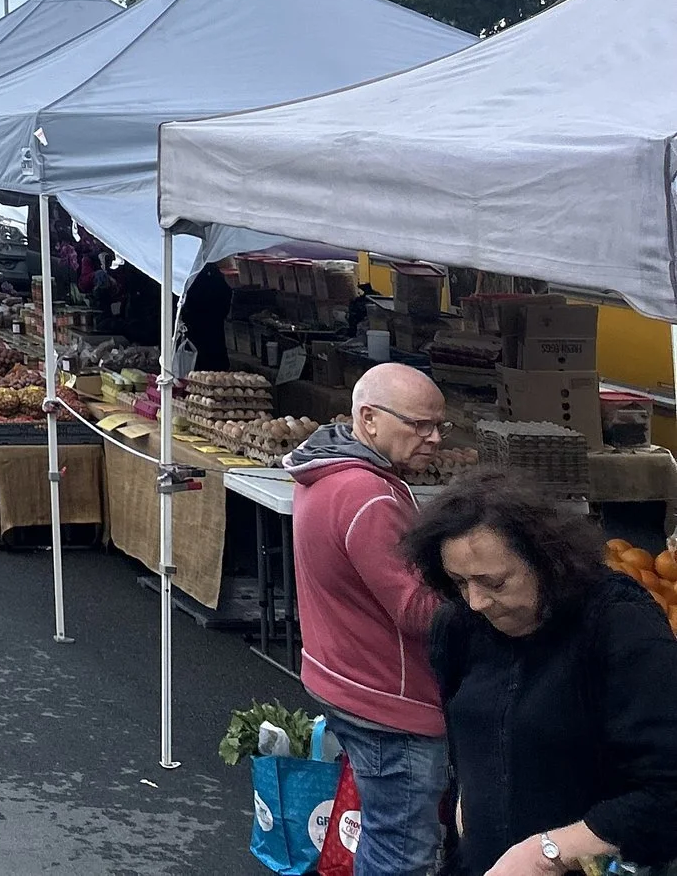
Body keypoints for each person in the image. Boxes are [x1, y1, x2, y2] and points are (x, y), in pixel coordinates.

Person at [402, 469, 677, 876]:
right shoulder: (459, 626)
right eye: (460, 582)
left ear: (545, 560)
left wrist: (546, 852)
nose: (476, 601)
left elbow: (666, 791)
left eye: (495, 583)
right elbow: (468, 743)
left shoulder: (620, 625)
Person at [285, 364, 450, 876]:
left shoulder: (326, 473)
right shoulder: (370, 495)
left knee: (383, 832)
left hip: (346, 679)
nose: (434, 438)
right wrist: (481, 591)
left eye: (439, 425)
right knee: (402, 848)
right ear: (369, 418)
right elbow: (418, 611)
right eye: (419, 425)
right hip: (389, 699)